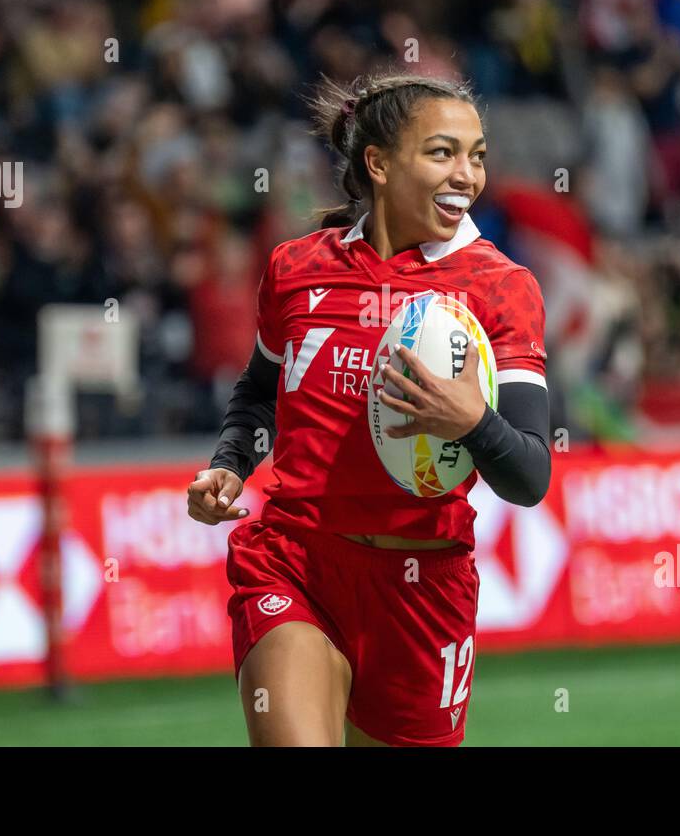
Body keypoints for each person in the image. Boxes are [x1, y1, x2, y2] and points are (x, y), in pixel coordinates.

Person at [186, 72, 551, 746]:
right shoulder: (296, 268)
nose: (467, 175)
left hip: (424, 590)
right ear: (379, 164)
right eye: (442, 152)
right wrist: (230, 463)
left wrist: (470, 420)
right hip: (298, 560)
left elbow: (530, 476)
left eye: (477, 155)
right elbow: (259, 393)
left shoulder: (502, 288)